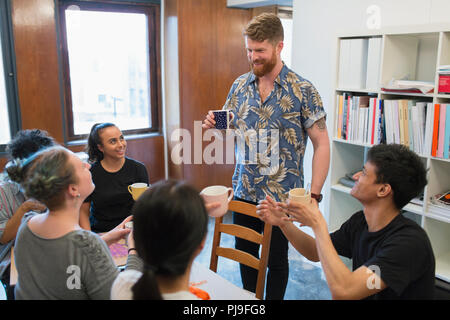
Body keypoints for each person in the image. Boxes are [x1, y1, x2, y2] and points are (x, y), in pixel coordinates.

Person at [202, 13, 330, 299]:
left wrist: (315, 195)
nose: (253, 57)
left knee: (275, 262)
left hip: (280, 197)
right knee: (245, 255)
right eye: (249, 50)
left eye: (260, 51)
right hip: (244, 189)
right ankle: (251, 300)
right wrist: (215, 123)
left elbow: (322, 143)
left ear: (279, 46)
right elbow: (231, 125)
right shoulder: (239, 85)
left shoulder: (303, 90)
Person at [258, 143, 435, 300]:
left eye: (364, 173)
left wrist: (318, 223)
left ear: (383, 190)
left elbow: (343, 291)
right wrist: (283, 222)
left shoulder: (409, 244)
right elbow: (314, 251)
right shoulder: (360, 222)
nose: (356, 176)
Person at [6, 145, 142, 299]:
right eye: (81, 166)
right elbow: (121, 296)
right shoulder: (87, 245)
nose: (88, 165)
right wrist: (134, 251)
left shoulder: (27, 224)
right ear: (73, 189)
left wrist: (106, 237)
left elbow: (61, 255)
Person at [110, 179, 208, 300]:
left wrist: (133, 249)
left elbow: (130, 276)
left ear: (138, 242)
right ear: (202, 242)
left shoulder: (122, 284)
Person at [0, 129, 54, 299]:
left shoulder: (54, 184)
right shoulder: (5, 191)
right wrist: (24, 208)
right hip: (13, 260)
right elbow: (4, 237)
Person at [80, 123, 149, 232]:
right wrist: (90, 240)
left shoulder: (138, 168)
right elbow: (83, 212)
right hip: (102, 232)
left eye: (121, 138)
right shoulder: (91, 173)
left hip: (131, 231)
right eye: (113, 141)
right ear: (100, 147)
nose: (121, 144)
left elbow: (146, 207)